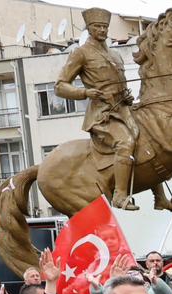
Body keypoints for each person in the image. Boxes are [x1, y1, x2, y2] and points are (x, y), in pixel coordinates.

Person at [55, 7, 140, 210]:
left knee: (150, 139)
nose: (102, 30)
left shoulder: (115, 55)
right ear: (89, 28)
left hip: (124, 110)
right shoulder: (81, 53)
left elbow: (121, 84)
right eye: (98, 26)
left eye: (105, 26)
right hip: (103, 115)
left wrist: (126, 94)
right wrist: (85, 93)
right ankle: (119, 196)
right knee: (125, 143)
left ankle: (160, 196)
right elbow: (60, 86)